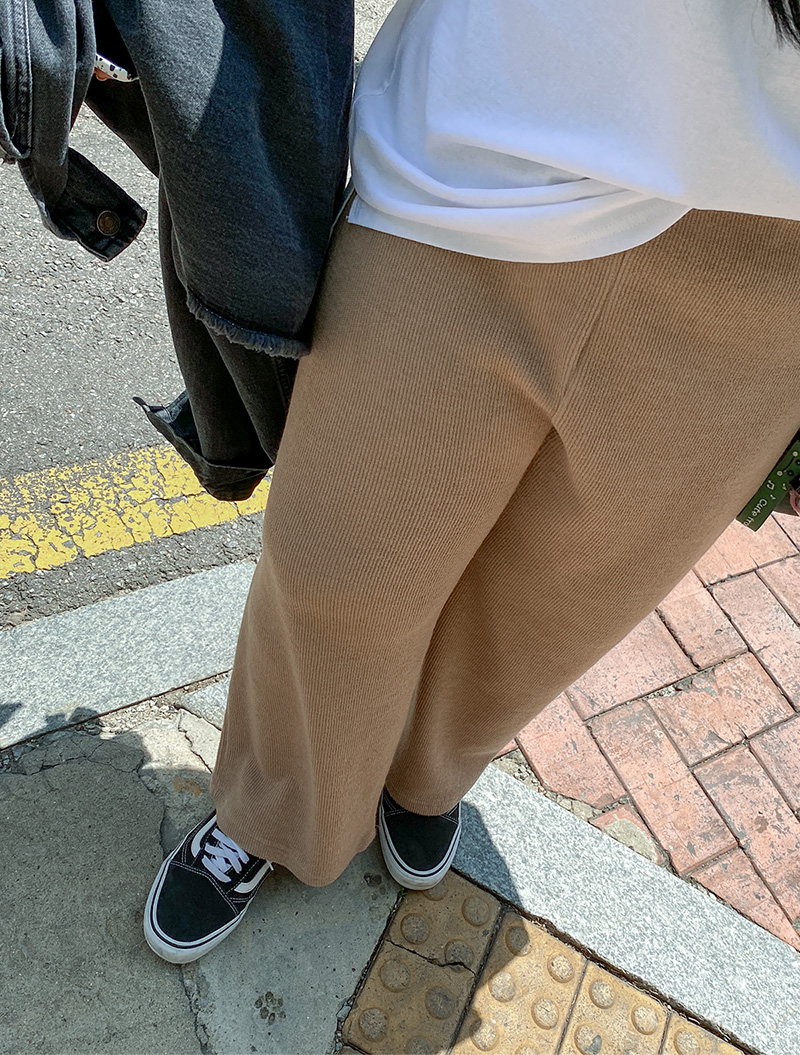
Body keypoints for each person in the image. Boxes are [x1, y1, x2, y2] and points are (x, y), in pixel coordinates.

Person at [143, 0, 800, 963]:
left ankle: (428, 773)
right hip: (490, 144)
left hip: (767, 259)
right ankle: (275, 808)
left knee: (557, 605)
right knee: (336, 564)